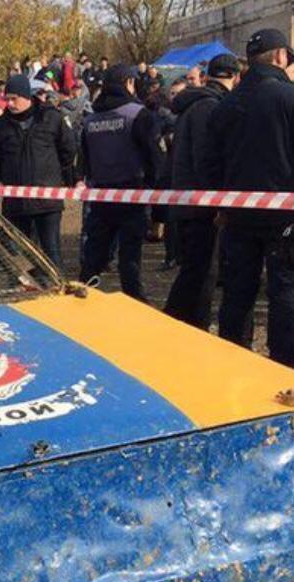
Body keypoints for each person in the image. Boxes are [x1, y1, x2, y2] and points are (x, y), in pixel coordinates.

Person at [203, 29, 294, 365]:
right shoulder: (288, 98)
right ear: (281, 56)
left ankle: (232, 359)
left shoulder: (226, 105)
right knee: (284, 292)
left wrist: (221, 204)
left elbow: (210, 162)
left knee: (238, 292)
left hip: (238, 214)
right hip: (285, 216)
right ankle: (284, 367)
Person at [163, 54, 241, 328]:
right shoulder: (210, 108)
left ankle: (180, 324)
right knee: (200, 274)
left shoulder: (194, 106)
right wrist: (218, 203)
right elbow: (206, 160)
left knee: (194, 271)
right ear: (236, 77)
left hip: (187, 200)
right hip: (200, 205)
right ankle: (187, 328)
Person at [79, 64, 164, 301]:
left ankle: (80, 302)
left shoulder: (91, 119)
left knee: (93, 258)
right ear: (129, 83)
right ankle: (135, 305)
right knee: (130, 260)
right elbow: (154, 160)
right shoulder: (138, 115)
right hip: (132, 195)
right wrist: (156, 200)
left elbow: (85, 160)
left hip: (101, 197)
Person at [0, 73, 77, 267]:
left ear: (26, 96)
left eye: (14, 98)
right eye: (7, 99)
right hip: (16, 203)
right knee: (21, 257)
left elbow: (68, 149)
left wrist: (52, 175)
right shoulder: (0, 126)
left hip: (47, 201)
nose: (10, 103)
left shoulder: (50, 117)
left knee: (51, 252)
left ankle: (56, 292)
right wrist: (11, 180)